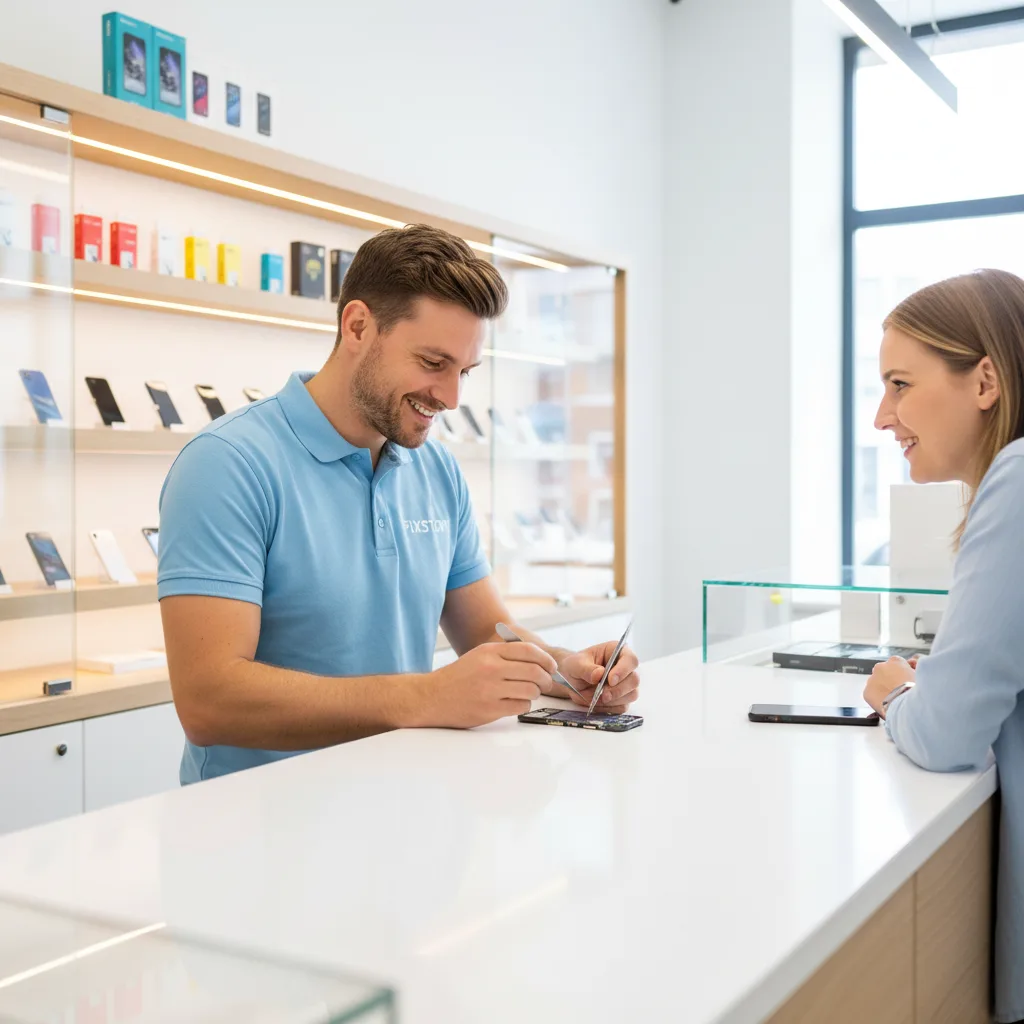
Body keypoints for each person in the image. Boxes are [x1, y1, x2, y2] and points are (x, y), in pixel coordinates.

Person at [158, 224, 639, 785]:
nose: (452, 398)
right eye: (433, 363)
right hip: (259, 830)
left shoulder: (437, 471)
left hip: (402, 807)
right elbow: (209, 702)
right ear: (357, 325)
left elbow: (489, 633)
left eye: (464, 371)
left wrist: (567, 671)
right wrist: (427, 696)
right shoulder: (227, 463)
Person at [863, 268, 1024, 1024]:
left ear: (985, 379)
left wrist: (897, 690)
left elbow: (946, 736)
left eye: (900, 383)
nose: (882, 417)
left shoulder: (1018, 481)